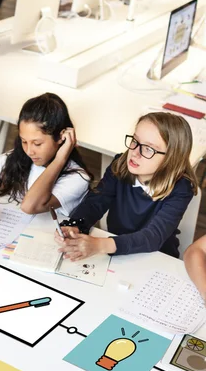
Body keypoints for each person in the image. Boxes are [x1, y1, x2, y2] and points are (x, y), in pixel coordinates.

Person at [57, 112, 198, 261]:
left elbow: (153, 237)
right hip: (117, 249)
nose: (135, 153)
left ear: (171, 159)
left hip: (156, 257)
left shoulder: (181, 189)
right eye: (135, 141)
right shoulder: (121, 164)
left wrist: (100, 245)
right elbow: (95, 203)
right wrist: (75, 225)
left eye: (149, 149)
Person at [0, 93, 91, 220]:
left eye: (37, 143)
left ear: (60, 137)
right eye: (24, 141)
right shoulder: (21, 156)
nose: (29, 151)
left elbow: (29, 206)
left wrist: (60, 159)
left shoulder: (78, 178)